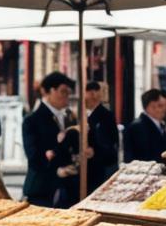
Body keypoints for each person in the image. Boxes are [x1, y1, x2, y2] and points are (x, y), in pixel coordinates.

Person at [22, 71, 77, 207]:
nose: (67, 96)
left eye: (68, 92)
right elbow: (34, 157)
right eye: (63, 92)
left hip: (69, 189)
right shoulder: (33, 120)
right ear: (49, 92)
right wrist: (57, 171)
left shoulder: (69, 117)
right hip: (42, 190)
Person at [83, 81, 119, 190]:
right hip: (90, 167)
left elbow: (108, 142)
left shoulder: (105, 115)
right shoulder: (83, 114)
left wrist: (94, 150)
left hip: (103, 166)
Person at [123, 89, 166, 164]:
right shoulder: (137, 128)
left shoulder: (160, 124)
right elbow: (143, 158)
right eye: (160, 106)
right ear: (150, 107)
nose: (165, 109)